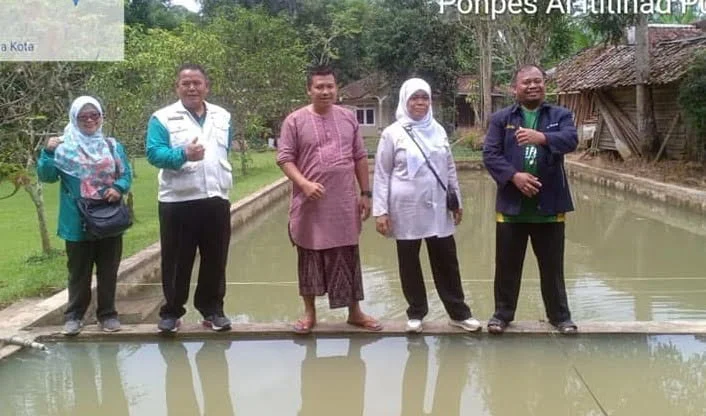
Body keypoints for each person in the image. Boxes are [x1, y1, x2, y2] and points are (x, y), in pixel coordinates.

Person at [276, 65, 382, 334]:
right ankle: (310, 313)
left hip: (343, 203)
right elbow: (285, 158)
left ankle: (355, 312)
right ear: (309, 90)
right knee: (309, 257)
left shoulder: (348, 118)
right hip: (309, 205)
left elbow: (359, 156)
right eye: (319, 87)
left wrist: (366, 194)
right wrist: (304, 183)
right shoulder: (295, 121)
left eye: (330, 86)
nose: (325, 91)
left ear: (337, 88)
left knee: (347, 256)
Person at [372, 78, 481, 334]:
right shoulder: (392, 133)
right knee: (409, 261)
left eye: (424, 98)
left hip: (438, 207)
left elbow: (450, 168)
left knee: (447, 261)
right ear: (405, 100)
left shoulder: (439, 130)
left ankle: (458, 313)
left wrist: (457, 201)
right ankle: (416, 313)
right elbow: (381, 173)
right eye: (414, 98)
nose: (420, 103)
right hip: (405, 208)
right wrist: (381, 211)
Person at [482, 64, 578, 335]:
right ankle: (502, 315)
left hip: (549, 206)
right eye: (526, 82)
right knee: (507, 266)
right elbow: (490, 154)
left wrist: (543, 137)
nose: (533, 86)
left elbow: (571, 140)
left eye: (538, 81)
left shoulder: (560, 115)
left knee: (552, 267)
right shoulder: (502, 118)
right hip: (513, 207)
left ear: (544, 86)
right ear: (516, 88)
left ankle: (560, 317)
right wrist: (514, 177)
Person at [146, 63, 234, 333]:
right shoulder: (162, 118)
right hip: (177, 201)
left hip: (215, 197)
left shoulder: (223, 116)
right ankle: (172, 312)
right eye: (186, 83)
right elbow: (154, 153)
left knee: (215, 259)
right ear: (177, 87)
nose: (192, 87)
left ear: (206, 86)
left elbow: (223, 151)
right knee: (176, 261)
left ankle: (212, 310)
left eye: (197, 82)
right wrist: (183, 154)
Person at [37, 96, 132, 336]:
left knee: (109, 270)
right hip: (77, 221)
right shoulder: (63, 147)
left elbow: (126, 174)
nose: (90, 120)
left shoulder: (111, 145)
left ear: (101, 117)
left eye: (94, 115)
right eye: (83, 116)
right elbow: (47, 176)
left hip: (109, 217)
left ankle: (108, 315)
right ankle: (74, 316)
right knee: (79, 272)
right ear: (74, 118)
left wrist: (118, 188)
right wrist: (48, 152)